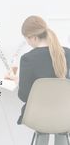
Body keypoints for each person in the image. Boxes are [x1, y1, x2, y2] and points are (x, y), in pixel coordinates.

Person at [6, 15, 70, 145]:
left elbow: (24, 96)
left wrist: (20, 82)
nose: (28, 43)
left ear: (33, 37)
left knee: (43, 117)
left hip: (38, 116)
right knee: (62, 121)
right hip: (66, 115)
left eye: (27, 40)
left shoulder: (28, 59)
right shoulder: (68, 53)